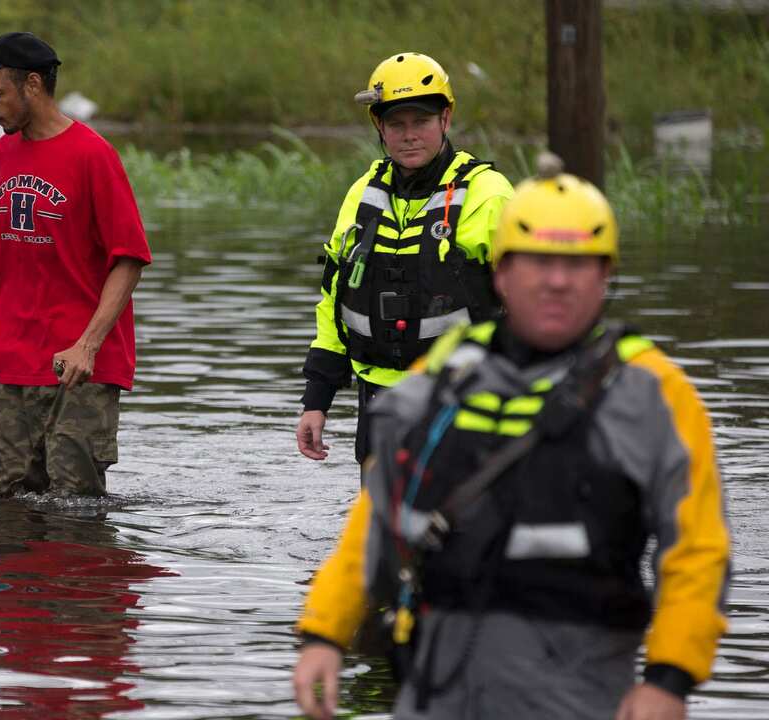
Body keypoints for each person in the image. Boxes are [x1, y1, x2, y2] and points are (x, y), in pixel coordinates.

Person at [291, 158, 731, 719]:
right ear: (501, 274)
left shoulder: (652, 393)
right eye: (538, 262)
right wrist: (323, 633)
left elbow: (697, 552)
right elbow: (378, 517)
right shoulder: (447, 372)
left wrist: (669, 678)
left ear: (606, 276)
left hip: (578, 695)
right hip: (437, 691)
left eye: (578, 264)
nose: (556, 281)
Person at [0, 32, 152, 497]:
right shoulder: (2, 154)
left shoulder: (93, 155)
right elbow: (16, 238)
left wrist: (87, 345)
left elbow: (129, 260)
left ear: (34, 85)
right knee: (12, 508)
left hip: (78, 367)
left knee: (75, 510)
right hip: (12, 362)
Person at [296, 52, 514, 464]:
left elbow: (530, 306)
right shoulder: (364, 193)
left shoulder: (490, 194)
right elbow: (333, 302)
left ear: (445, 120)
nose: (409, 135)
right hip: (380, 398)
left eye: (422, 122)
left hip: (466, 398)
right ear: (379, 126)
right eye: (396, 124)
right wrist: (316, 400)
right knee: (379, 524)